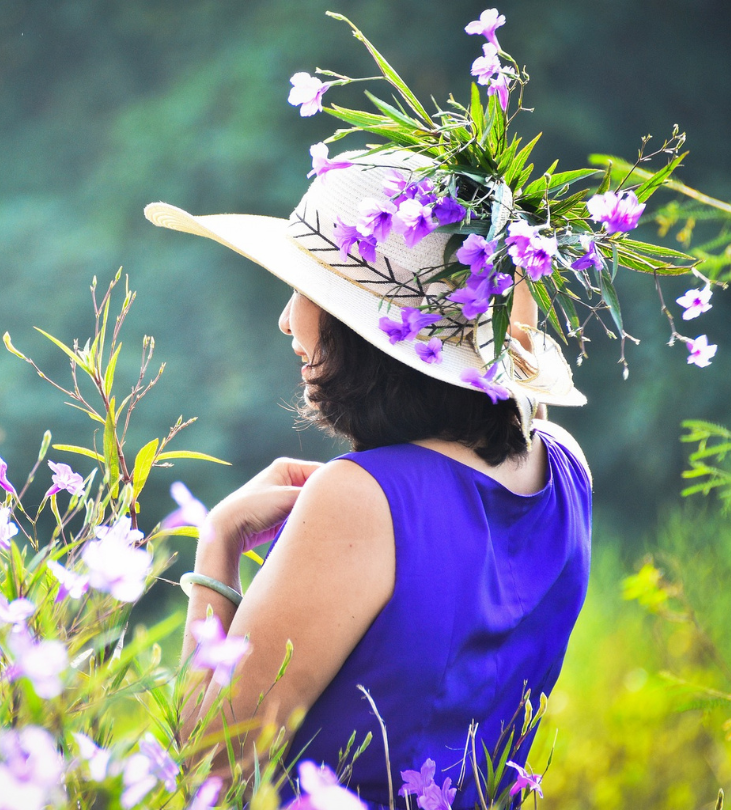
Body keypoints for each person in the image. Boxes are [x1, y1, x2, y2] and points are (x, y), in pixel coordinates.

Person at [144, 147, 592, 809]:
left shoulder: (360, 499)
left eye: (304, 290)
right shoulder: (564, 466)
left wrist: (217, 548)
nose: (285, 319)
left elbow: (209, 767)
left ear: (364, 328)